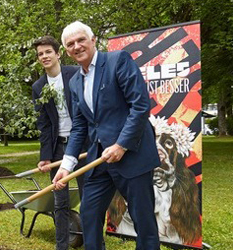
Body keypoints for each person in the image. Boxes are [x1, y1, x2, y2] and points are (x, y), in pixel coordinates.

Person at [53, 21, 161, 250]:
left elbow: (140, 106)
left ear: (93, 40)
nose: (77, 46)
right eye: (70, 44)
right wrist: (66, 166)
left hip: (133, 155)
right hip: (99, 160)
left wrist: (122, 144)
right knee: (89, 214)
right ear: (66, 51)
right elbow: (80, 126)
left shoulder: (117, 61)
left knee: (143, 221)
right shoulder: (74, 82)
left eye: (81, 40)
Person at [31, 35, 85, 250]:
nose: (44, 56)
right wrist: (44, 156)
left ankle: (94, 243)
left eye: (47, 52)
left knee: (89, 197)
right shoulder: (38, 86)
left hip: (81, 143)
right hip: (57, 148)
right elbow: (43, 124)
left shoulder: (75, 73)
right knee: (60, 201)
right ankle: (61, 246)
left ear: (58, 53)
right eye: (40, 54)